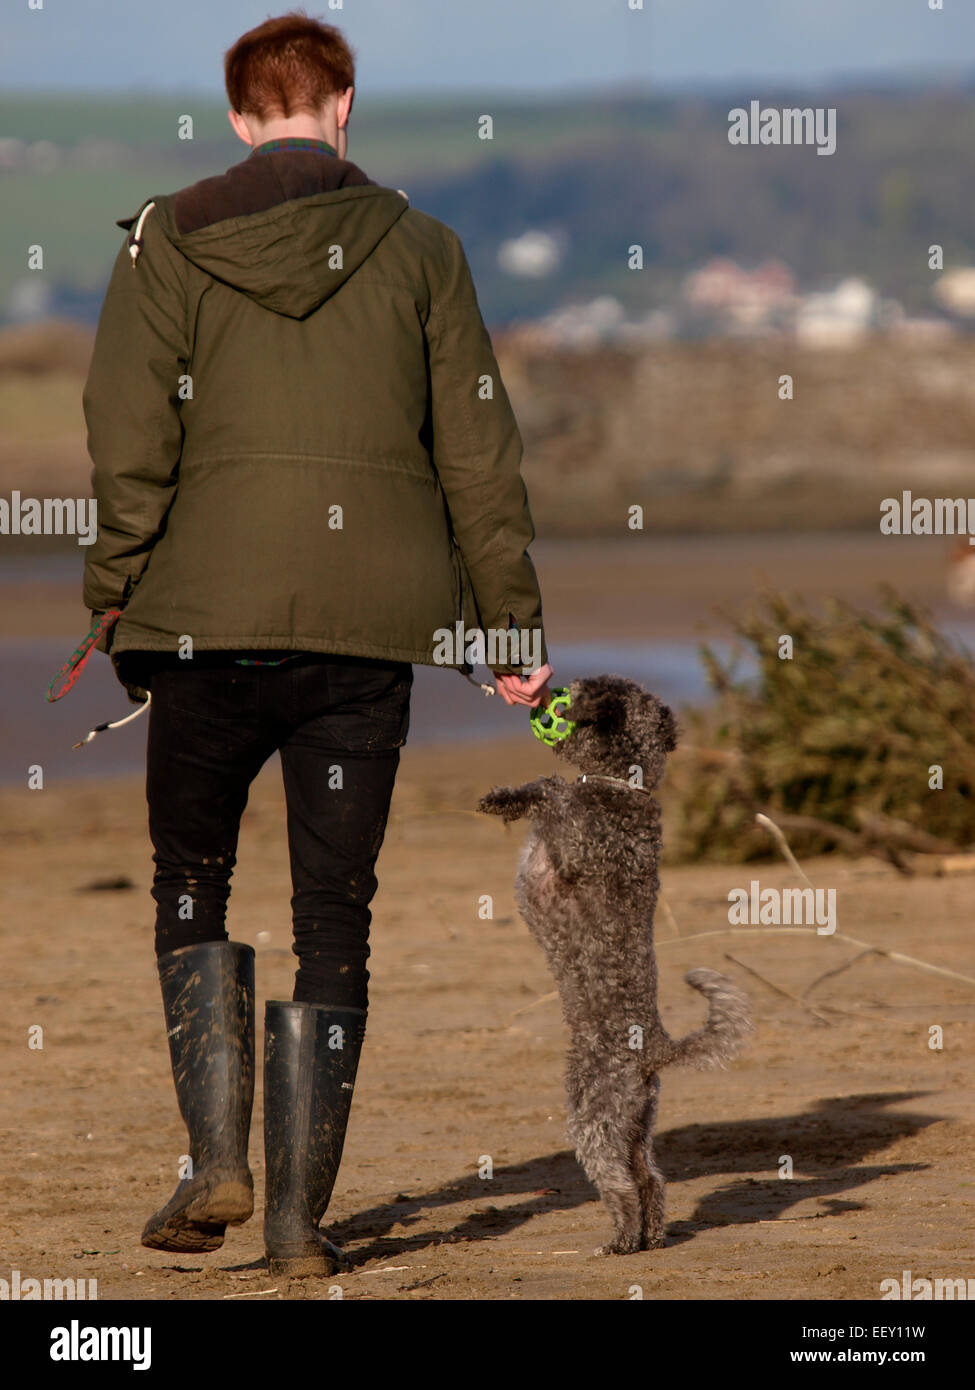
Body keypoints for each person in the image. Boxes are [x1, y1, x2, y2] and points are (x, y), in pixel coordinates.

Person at [82, 10, 552, 1278]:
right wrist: (507, 627)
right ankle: (296, 1219)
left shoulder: (163, 239)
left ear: (240, 116)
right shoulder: (426, 249)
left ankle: (214, 1154)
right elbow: (478, 456)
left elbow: (127, 437)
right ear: (345, 103)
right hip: (368, 635)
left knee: (192, 874)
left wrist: (114, 589)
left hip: (203, 626)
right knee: (334, 916)